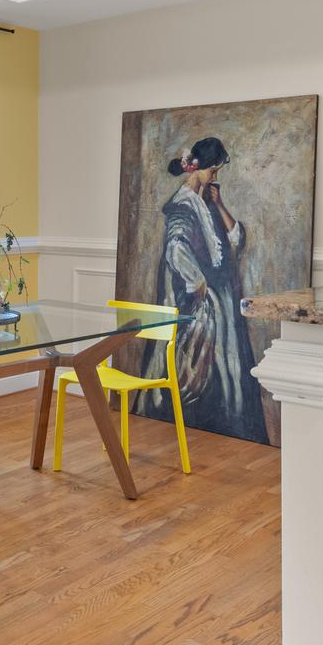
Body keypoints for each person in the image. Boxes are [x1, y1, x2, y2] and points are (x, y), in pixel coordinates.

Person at [139, 135, 269, 443]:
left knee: (228, 378)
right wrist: (198, 287)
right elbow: (175, 250)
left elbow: (236, 241)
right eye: (213, 171)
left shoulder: (205, 202)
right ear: (198, 168)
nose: (215, 177)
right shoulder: (182, 206)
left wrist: (219, 203)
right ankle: (192, 435)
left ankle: (221, 436)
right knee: (199, 377)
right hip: (203, 308)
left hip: (223, 307)